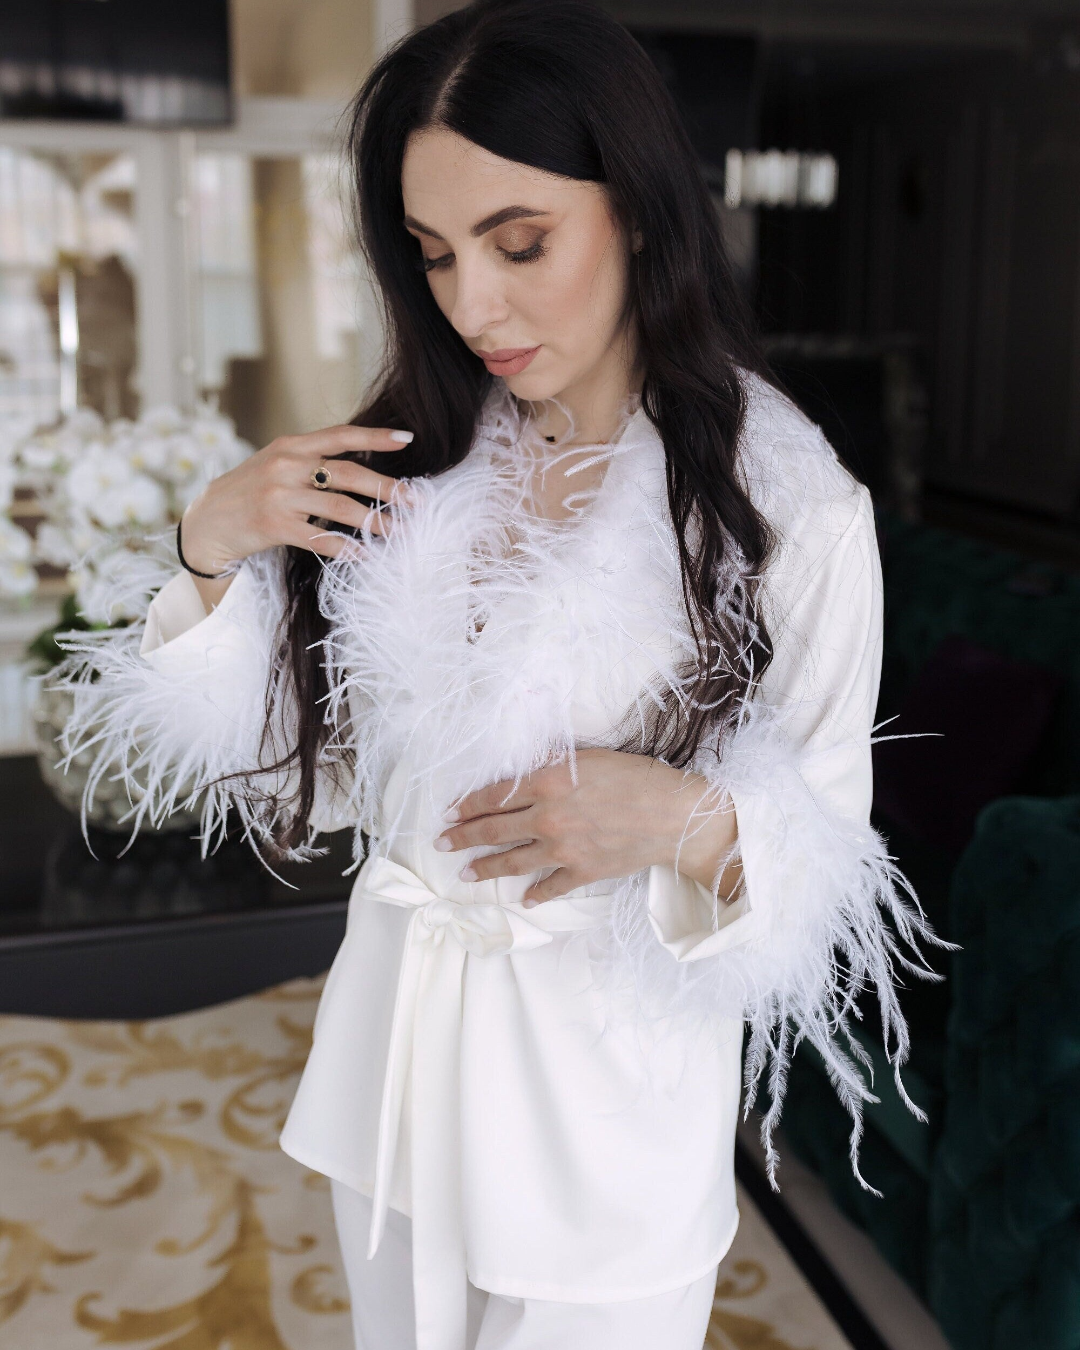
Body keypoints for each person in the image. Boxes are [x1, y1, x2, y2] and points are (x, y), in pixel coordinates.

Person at [57, 2, 940, 1347]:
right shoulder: (419, 458)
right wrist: (212, 543)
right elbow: (325, 761)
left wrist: (676, 818)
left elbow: (828, 867)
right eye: (435, 254)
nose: (472, 304)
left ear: (637, 209)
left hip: (603, 1107)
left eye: (520, 243)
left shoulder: (788, 504)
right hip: (406, 1070)